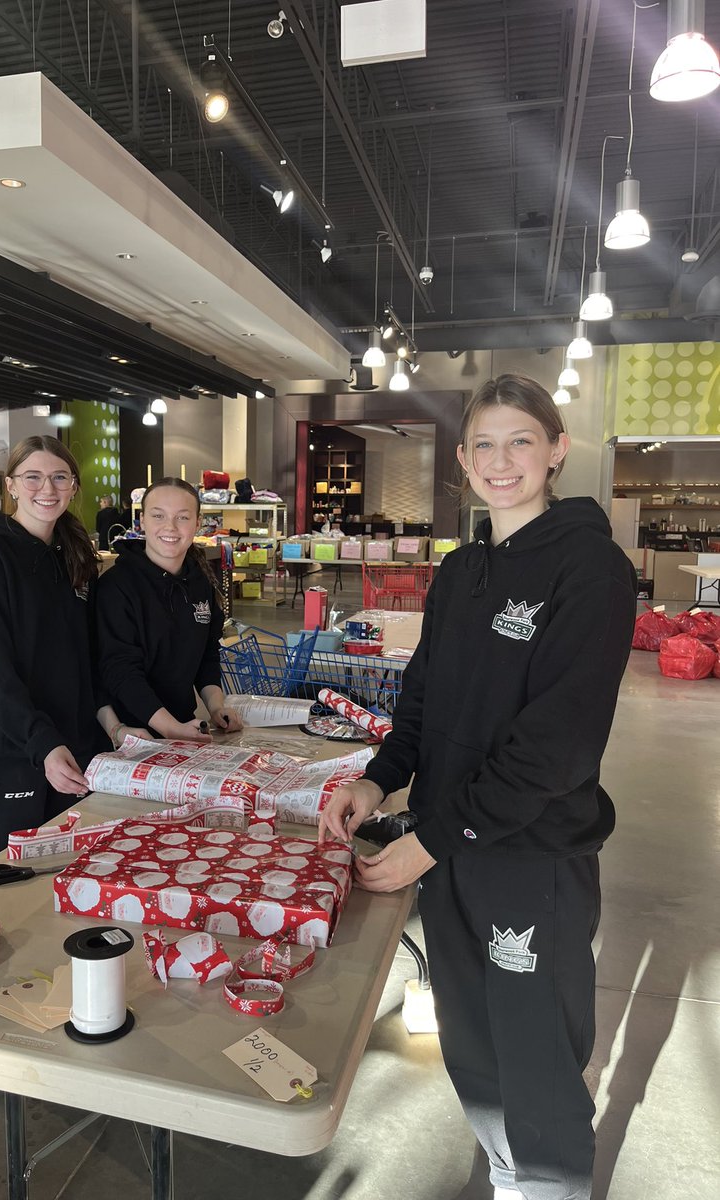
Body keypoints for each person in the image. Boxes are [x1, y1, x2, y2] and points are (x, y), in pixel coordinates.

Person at [319, 373, 637, 1200]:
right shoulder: (461, 572)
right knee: (472, 1046)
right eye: (485, 444)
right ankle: (509, 1180)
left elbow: (555, 750)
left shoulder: (592, 571)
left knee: (534, 1058)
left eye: (521, 440)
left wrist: (428, 840)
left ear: (557, 450)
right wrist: (378, 782)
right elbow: (422, 703)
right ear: (462, 459)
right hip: (450, 850)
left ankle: (549, 1185)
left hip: (529, 858)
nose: (502, 461)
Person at [0, 435, 113, 863]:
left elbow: (86, 659)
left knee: (67, 876)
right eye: (34, 477)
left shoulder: (74, 557)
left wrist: (110, 728)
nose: (48, 489)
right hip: (9, 754)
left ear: (74, 486)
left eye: (60, 477)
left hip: (72, 749)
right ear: (11, 486)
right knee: (8, 880)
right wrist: (40, 743)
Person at [97, 477, 242, 743]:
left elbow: (207, 654)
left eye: (183, 518)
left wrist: (216, 707)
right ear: (142, 521)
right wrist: (169, 728)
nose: (170, 527)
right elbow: (119, 670)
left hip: (183, 727)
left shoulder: (200, 582)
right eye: (158, 516)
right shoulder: (115, 587)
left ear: (198, 523)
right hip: (129, 734)